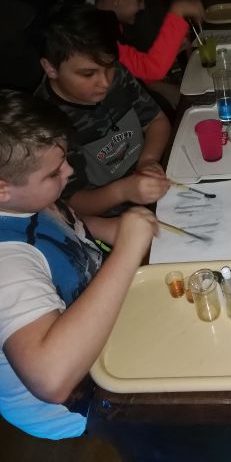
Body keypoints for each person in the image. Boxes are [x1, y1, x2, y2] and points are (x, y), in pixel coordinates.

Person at [0, 88, 159, 439]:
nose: (70, 171)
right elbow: (52, 380)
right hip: (83, 403)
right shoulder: (7, 265)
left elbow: (74, 228)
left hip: (109, 329)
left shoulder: (30, 200)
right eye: (54, 173)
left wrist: (120, 230)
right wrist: (127, 250)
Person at [35, 4, 171, 217]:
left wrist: (147, 161)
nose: (106, 82)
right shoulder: (43, 123)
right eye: (88, 74)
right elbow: (71, 202)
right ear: (51, 68)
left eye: (109, 67)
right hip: (113, 216)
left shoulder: (118, 76)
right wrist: (124, 191)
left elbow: (157, 121)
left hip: (156, 184)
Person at [94, 0, 203, 86]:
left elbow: (136, 72)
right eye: (139, 0)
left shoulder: (109, 24)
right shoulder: (101, 36)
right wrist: (178, 10)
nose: (143, 6)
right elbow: (151, 70)